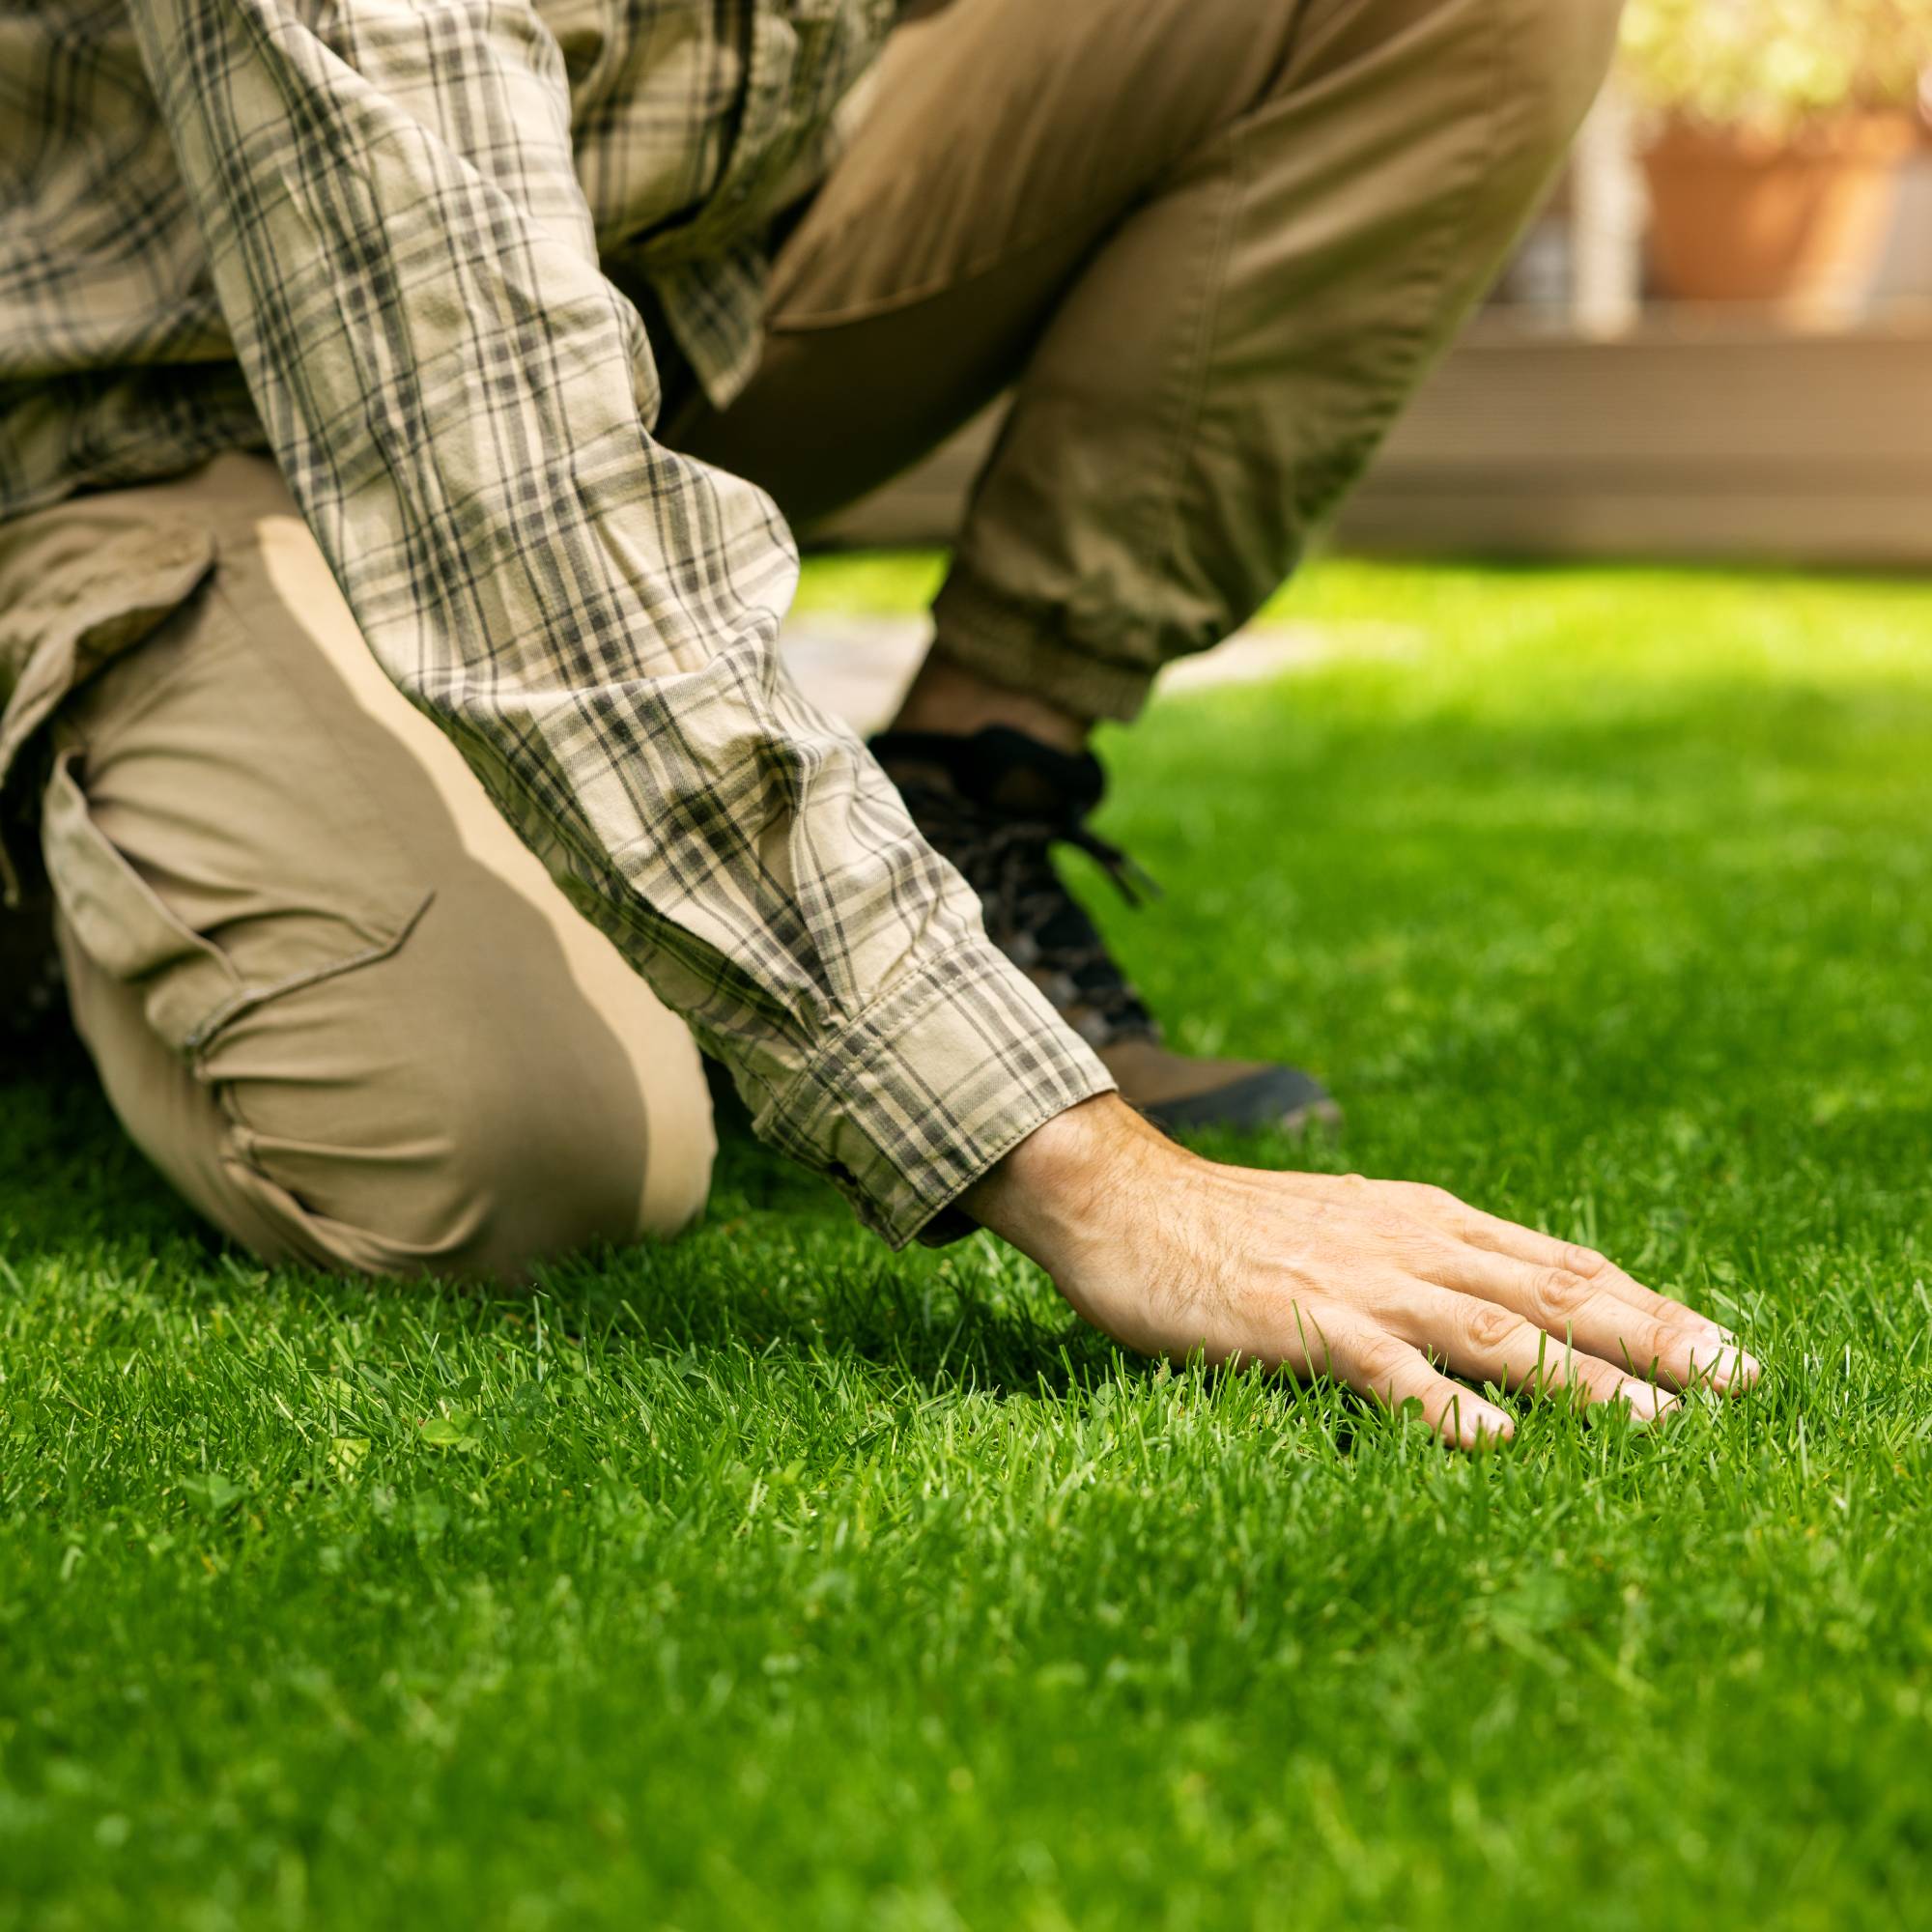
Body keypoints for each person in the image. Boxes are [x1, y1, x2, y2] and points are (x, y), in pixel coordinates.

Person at [0, 0, 1757, 1448]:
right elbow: (501, 493)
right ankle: (90, 845)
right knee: (524, 1161)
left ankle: (963, 795)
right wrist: (1089, 1173)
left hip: (661, 285)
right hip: (164, 418)